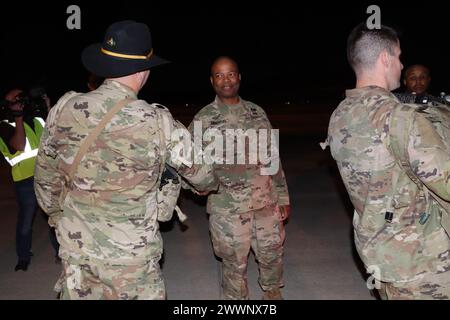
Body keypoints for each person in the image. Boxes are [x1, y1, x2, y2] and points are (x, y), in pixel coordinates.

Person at [34, 20, 217, 300]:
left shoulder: (64, 109)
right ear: (144, 70)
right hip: (133, 260)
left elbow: (45, 180)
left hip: (78, 254)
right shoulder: (158, 121)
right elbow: (203, 175)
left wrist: (60, 219)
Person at [325, 23, 450, 299]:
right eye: (399, 56)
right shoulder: (402, 118)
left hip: (378, 253)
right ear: (385, 59)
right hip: (421, 263)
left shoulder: (340, 115)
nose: (401, 64)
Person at [188, 56, 290, 300]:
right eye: (220, 75)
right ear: (212, 81)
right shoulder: (203, 119)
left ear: (239, 77)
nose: (226, 80)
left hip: (265, 202)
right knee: (234, 262)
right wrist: (196, 186)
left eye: (231, 74)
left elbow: (272, 157)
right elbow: (187, 161)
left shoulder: (257, 112)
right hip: (227, 208)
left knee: (271, 253)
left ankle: (272, 293)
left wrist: (283, 195)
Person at [0, 88, 59, 271]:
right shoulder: (4, 125)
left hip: (46, 175)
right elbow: (18, 145)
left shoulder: (37, 120)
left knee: (53, 218)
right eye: (13, 100)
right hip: (24, 181)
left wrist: (48, 108)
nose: (18, 102)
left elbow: (54, 133)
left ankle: (60, 252)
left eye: (20, 98)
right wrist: (17, 117)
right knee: (26, 222)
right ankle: (23, 257)